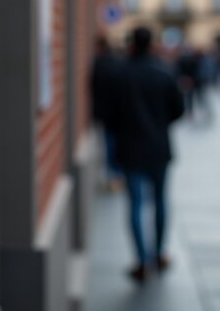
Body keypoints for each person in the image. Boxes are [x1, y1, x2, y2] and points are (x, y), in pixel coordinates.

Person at [107, 26, 184, 282]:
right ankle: (159, 253)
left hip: (130, 148)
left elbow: (111, 116)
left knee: (136, 204)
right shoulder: (164, 72)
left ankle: (141, 259)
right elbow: (178, 110)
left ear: (131, 44)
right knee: (160, 200)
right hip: (159, 147)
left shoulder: (121, 74)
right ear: (151, 44)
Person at [90, 35, 122, 190]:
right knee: (115, 143)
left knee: (110, 144)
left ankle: (113, 176)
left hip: (105, 112)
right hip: (118, 112)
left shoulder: (99, 63)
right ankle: (116, 174)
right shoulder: (118, 63)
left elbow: (93, 87)